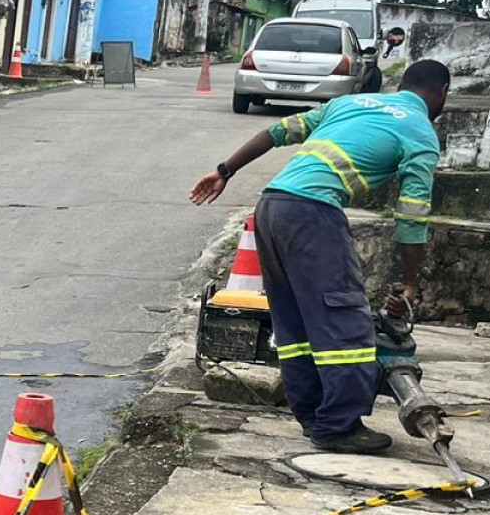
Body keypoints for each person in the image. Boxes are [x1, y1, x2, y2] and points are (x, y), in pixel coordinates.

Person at [190, 59, 450, 454]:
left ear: (401, 84)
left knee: (295, 320)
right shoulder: (420, 131)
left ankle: (313, 415)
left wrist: (224, 170)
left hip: (271, 206)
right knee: (343, 319)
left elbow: (276, 132)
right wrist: (411, 282)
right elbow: (412, 215)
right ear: (442, 92)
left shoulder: (352, 103)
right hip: (312, 213)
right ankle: (338, 425)